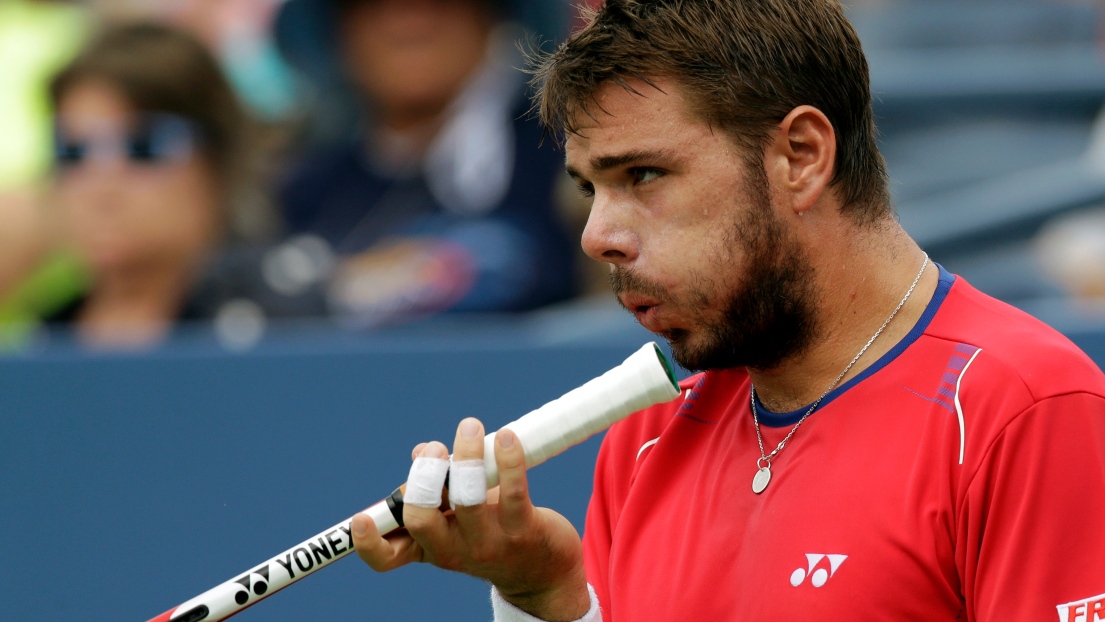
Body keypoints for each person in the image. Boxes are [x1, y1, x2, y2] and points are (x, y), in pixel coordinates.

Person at [350, 1, 1105, 621]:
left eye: (643, 173)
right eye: (590, 188)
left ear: (801, 155)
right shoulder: (646, 433)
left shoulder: (1025, 408)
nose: (596, 236)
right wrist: (544, 598)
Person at [276, 0, 578, 327]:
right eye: (373, 7)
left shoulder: (566, 150)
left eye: (440, 4)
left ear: (492, 17)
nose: (409, 25)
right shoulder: (306, 190)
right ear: (337, 33)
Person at [42, 22, 299, 350]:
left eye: (142, 147)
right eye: (72, 151)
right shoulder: (44, 338)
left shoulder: (282, 318)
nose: (100, 185)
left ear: (215, 159)